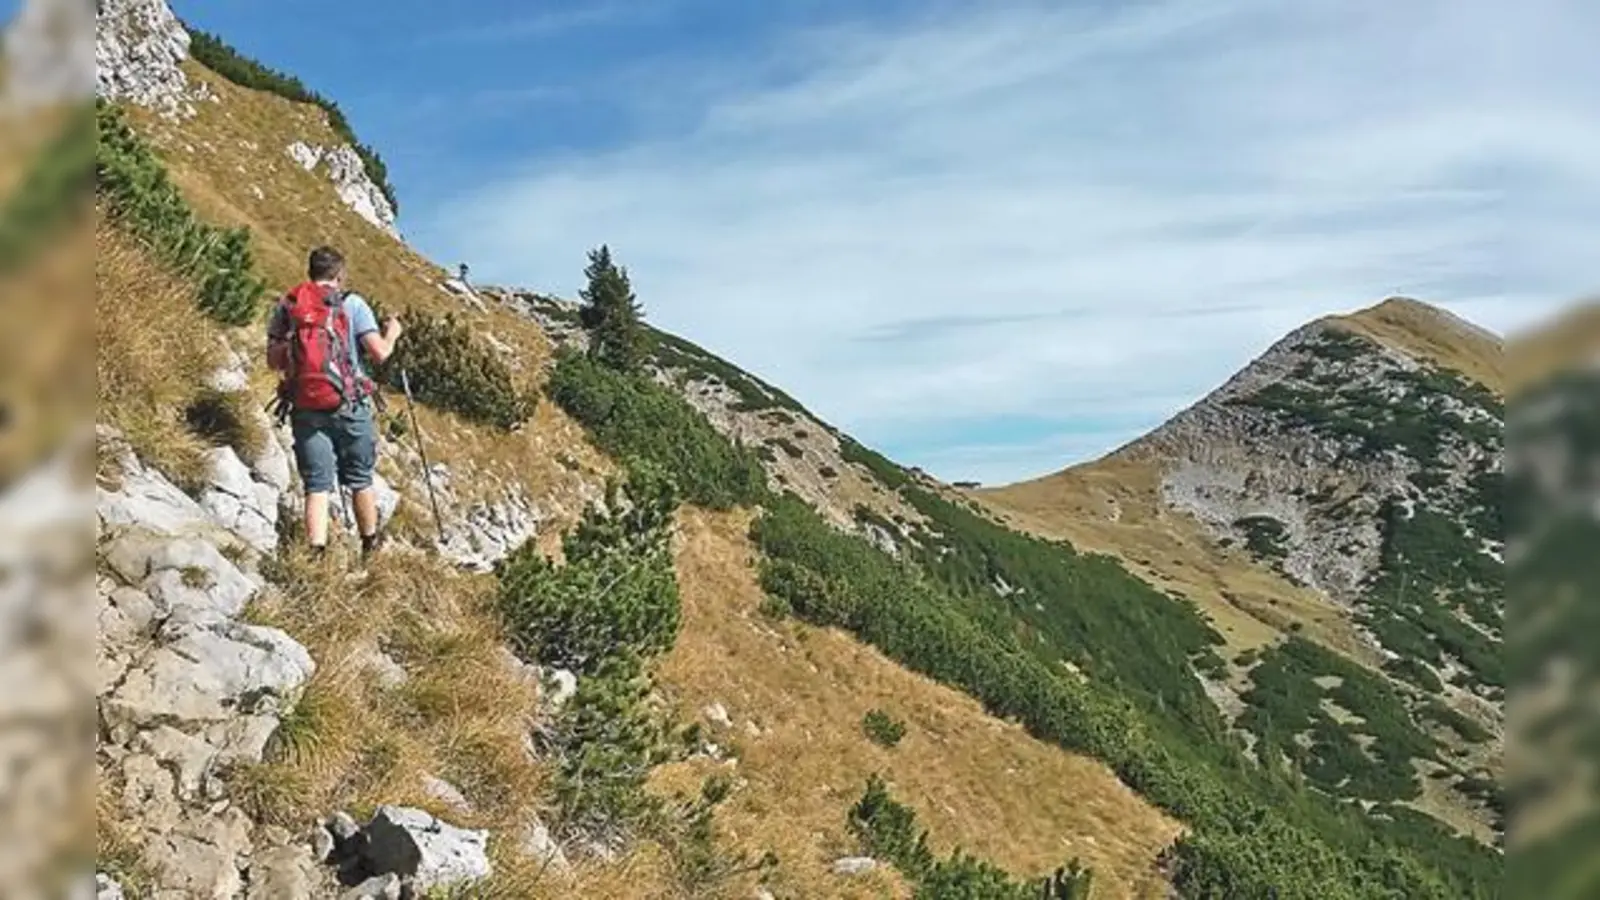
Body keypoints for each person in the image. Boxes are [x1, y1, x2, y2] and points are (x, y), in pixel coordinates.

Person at [267, 245, 403, 559]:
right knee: (360, 479)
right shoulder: (352, 304)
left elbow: (273, 362)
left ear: (310, 272)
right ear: (340, 275)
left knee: (316, 485)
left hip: (305, 407)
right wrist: (393, 333)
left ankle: (315, 558)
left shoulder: (289, 305)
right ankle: (369, 550)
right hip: (350, 404)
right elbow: (380, 353)